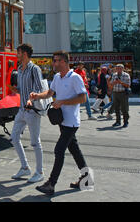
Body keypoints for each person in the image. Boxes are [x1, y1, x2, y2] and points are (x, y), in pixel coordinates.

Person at [30, 51, 91, 196]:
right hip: (61, 120)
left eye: (56, 60)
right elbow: (50, 93)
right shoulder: (57, 77)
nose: (54, 63)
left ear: (64, 62)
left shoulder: (75, 77)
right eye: (54, 60)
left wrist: (63, 102)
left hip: (72, 122)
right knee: (75, 150)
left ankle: (51, 184)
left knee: (59, 150)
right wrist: (37, 96)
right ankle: (86, 178)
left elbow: (83, 98)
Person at [9, 44, 45, 183]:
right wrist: (15, 90)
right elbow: (21, 89)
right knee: (14, 137)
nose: (16, 54)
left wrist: (31, 99)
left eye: (18, 52)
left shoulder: (34, 69)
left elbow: (39, 88)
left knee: (35, 142)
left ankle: (40, 172)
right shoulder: (19, 69)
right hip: (21, 110)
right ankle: (25, 167)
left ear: (24, 53)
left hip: (32, 110)